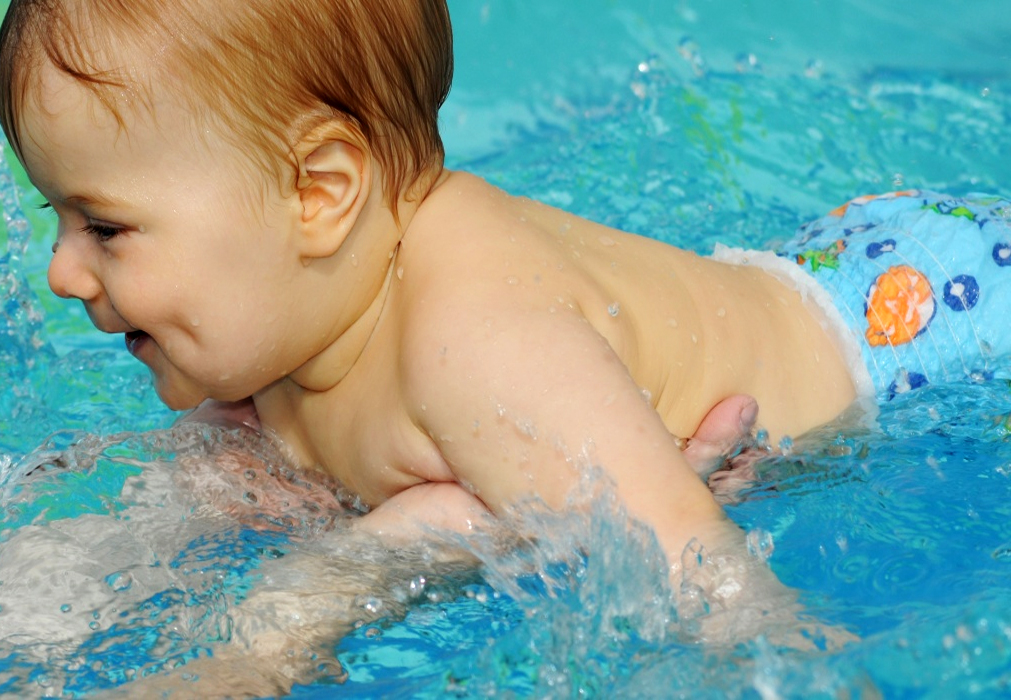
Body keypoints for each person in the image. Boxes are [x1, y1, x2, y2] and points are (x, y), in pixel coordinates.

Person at [2, 0, 1008, 647]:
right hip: (830, 263)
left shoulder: (478, 350)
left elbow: (712, 584)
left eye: (104, 224)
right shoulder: (287, 326)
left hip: (921, 333)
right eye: (57, 216)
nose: (58, 269)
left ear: (318, 193)